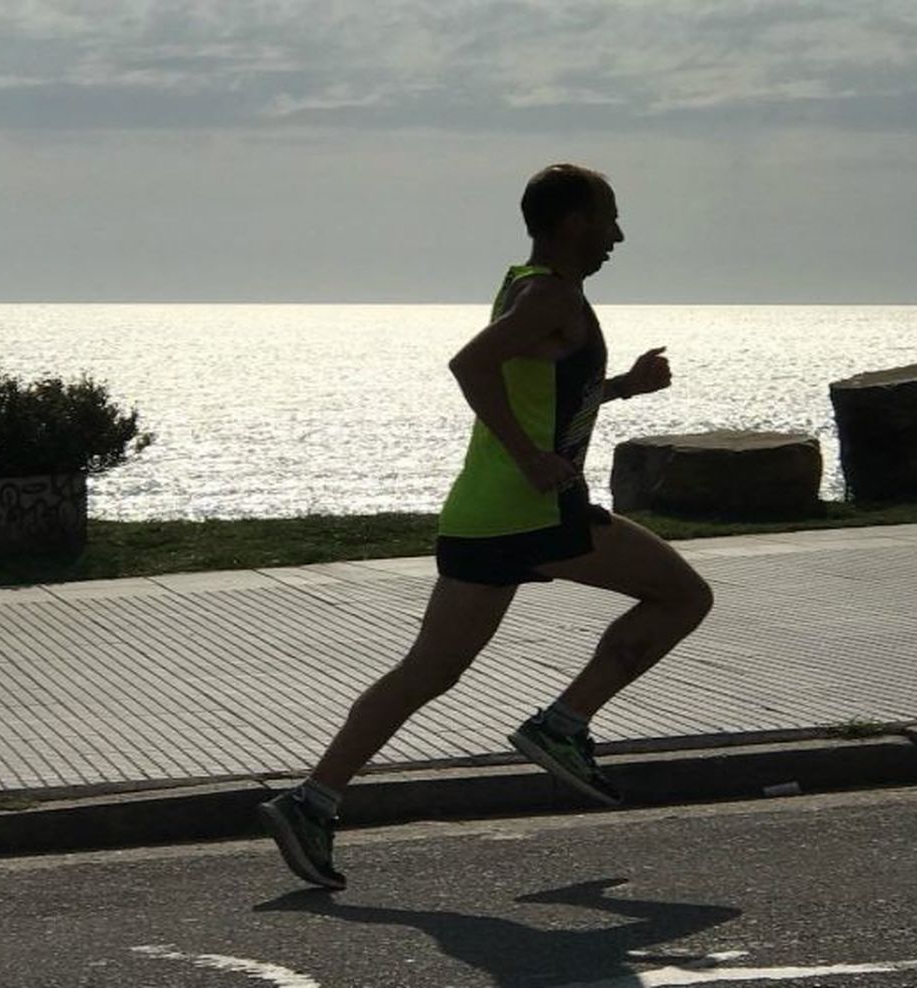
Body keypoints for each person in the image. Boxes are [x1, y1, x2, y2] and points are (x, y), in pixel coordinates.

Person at [258, 164, 714, 890]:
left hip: (483, 515)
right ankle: (562, 726)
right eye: (608, 218)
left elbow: (546, 384)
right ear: (571, 223)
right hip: (535, 510)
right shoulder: (549, 294)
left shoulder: (529, 287)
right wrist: (533, 458)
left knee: (429, 671)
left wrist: (623, 385)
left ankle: (312, 802)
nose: (618, 235)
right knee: (684, 597)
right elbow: (470, 364)